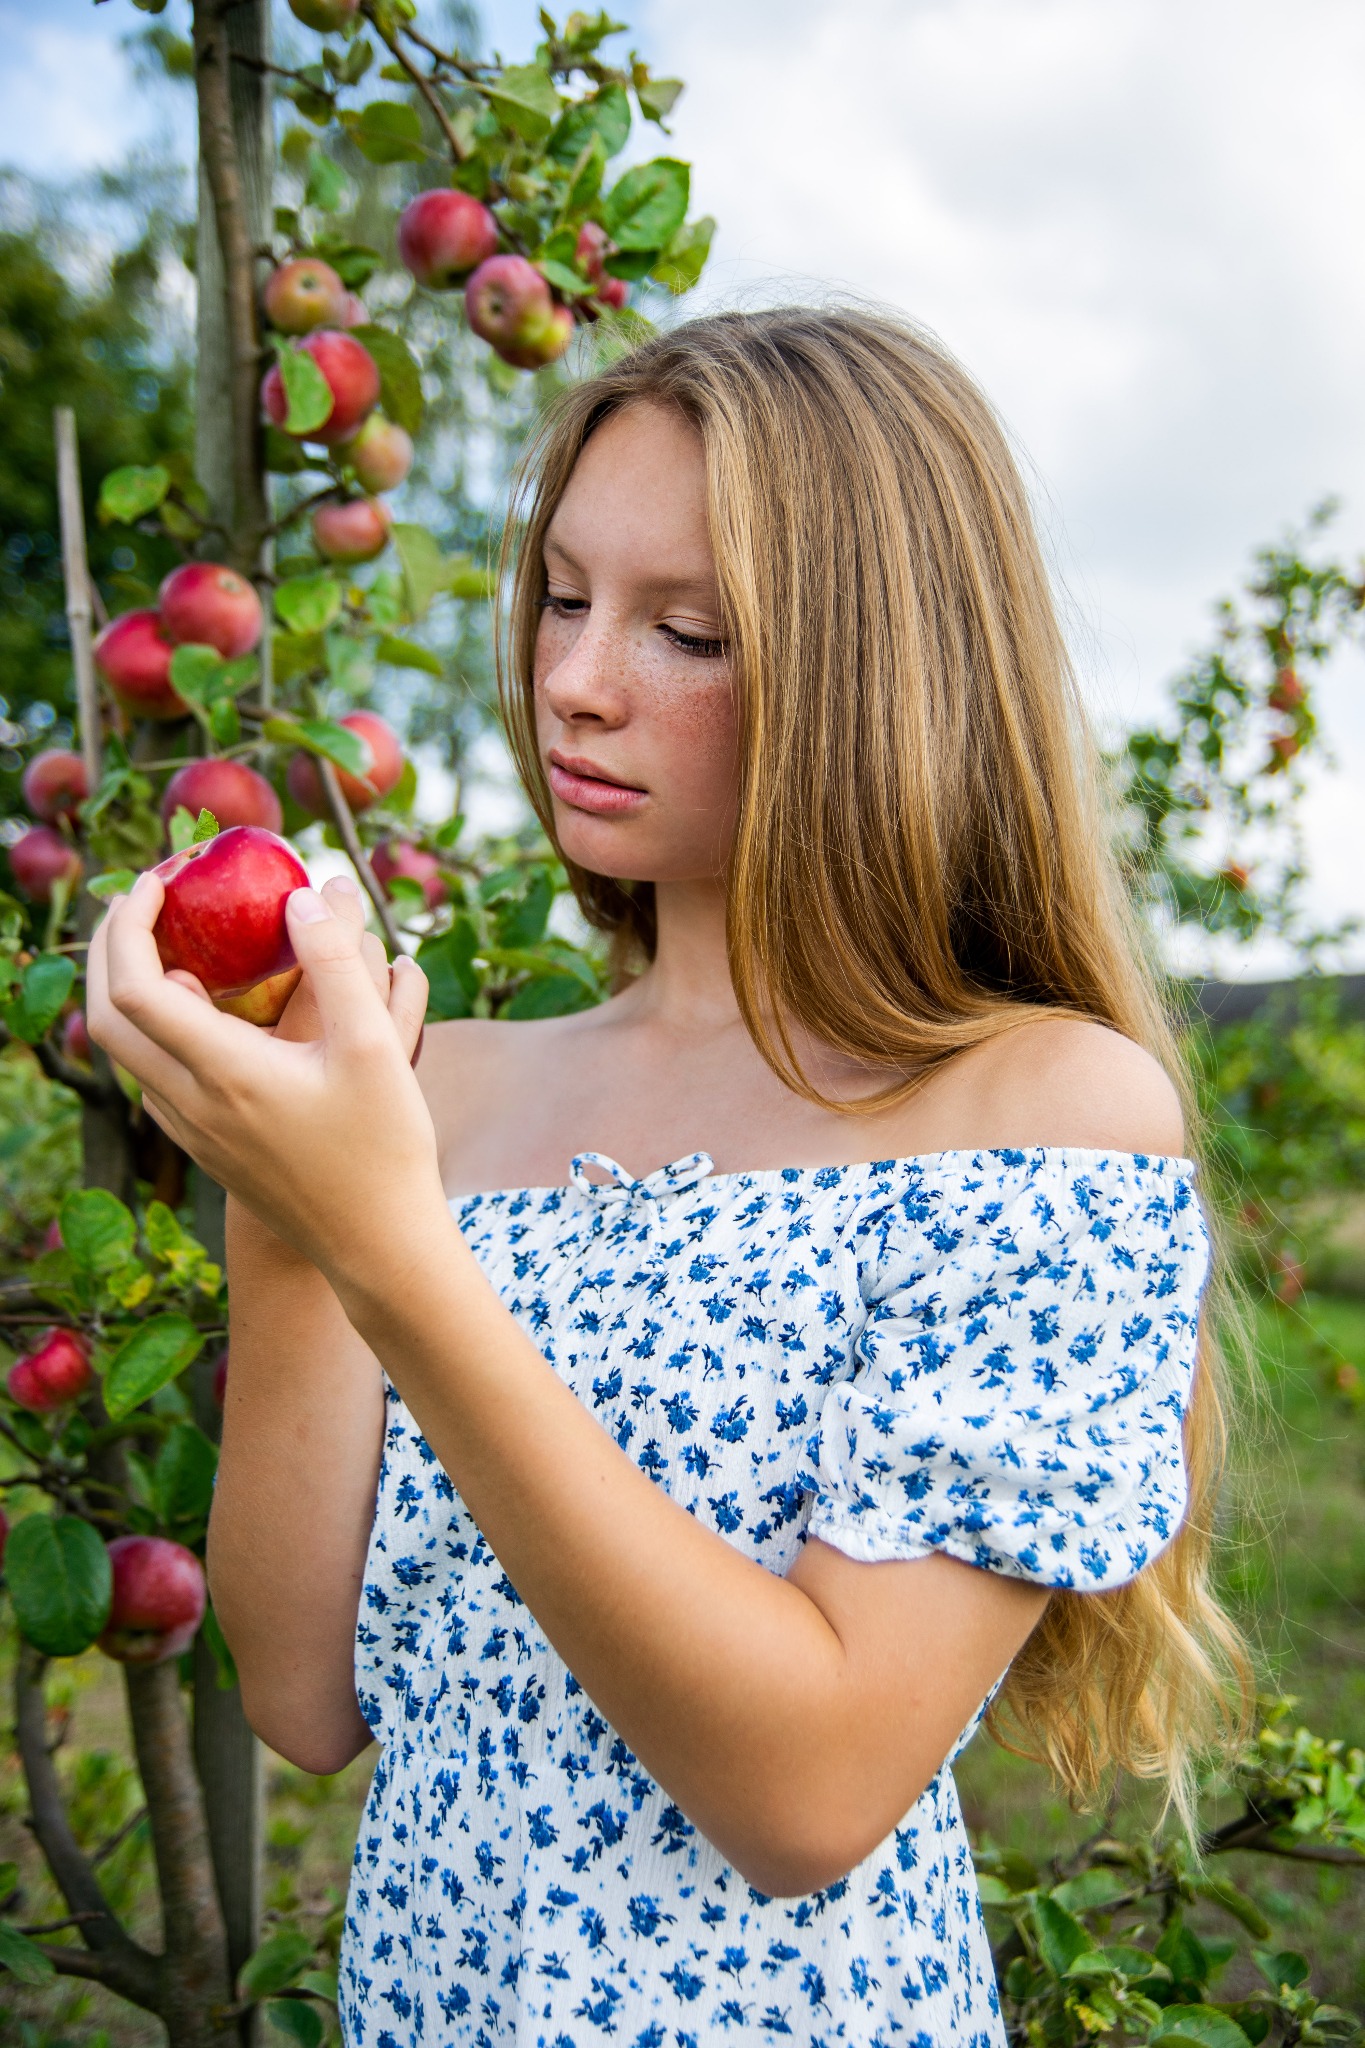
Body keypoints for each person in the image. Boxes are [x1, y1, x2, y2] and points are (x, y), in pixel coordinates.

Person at [89, 308, 1248, 2048]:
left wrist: (389, 1247)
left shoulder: (1038, 1110)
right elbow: (308, 1698)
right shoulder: (439, 1085)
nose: (575, 676)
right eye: (562, 596)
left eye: (683, 628)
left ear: (877, 677)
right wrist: (284, 1209)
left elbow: (806, 1793)